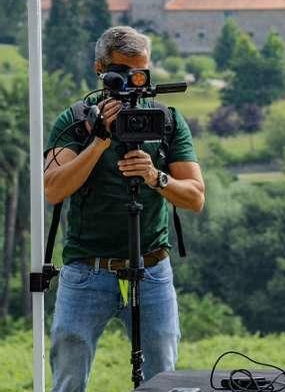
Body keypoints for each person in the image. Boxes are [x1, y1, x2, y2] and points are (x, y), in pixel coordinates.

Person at [43, 26, 205, 391]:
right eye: (122, 74)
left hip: (151, 267)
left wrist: (155, 176)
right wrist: (99, 141)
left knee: (163, 377)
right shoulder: (75, 122)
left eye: (141, 74)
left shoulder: (164, 120)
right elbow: (53, 189)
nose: (133, 84)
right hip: (87, 269)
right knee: (68, 377)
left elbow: (195, 197)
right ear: (100, 69)